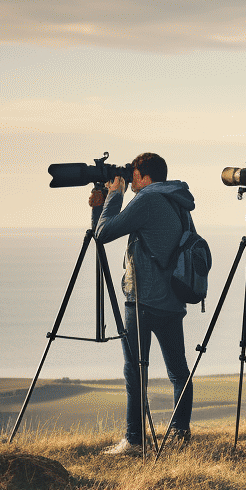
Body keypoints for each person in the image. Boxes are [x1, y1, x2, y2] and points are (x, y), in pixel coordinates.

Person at [93, 153, 196, 455]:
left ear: (143, 177)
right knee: (178, 372)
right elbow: (104, 228)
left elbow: (103, 233)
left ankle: (135, 441)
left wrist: (113, 195)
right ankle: (179, 434)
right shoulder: (177, 201)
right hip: (172, 301)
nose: (129, 179)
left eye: (133, 173)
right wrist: (100, 206)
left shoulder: (148, 199)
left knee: (135, 371)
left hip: (143, 302)